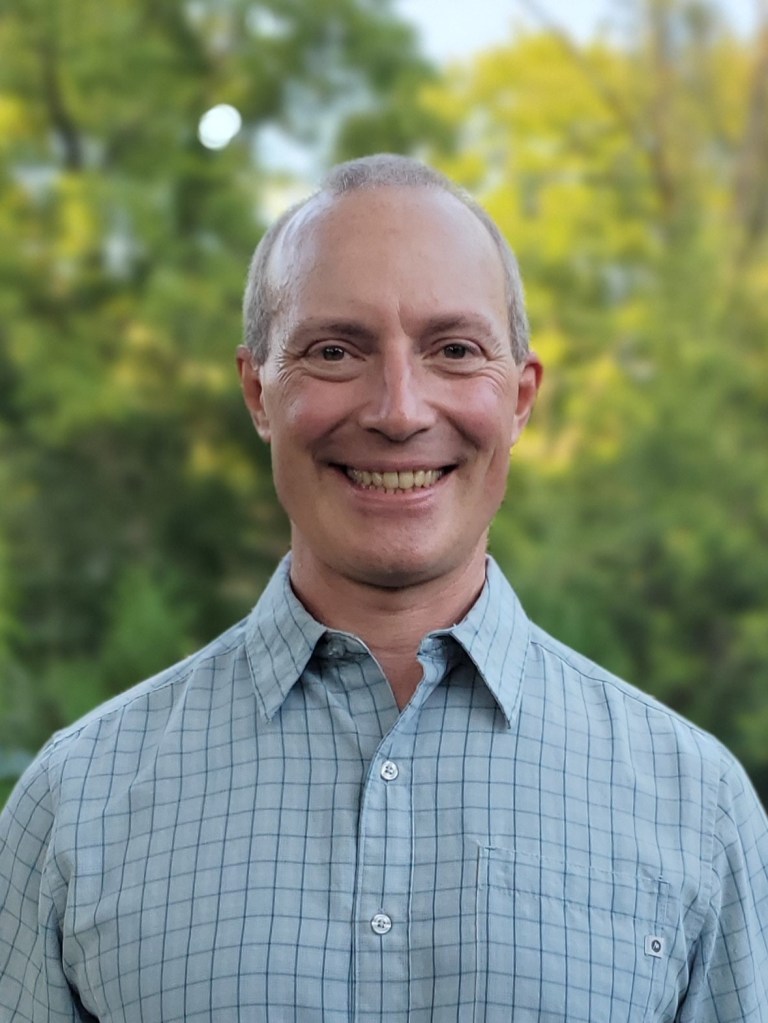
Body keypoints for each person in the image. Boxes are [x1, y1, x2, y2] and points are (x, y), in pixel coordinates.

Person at [1, 153, 766, 1022]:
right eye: (335, 351)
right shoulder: (74, 805)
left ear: (520, 399)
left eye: (454, 350)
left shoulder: (698, 808)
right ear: (258, 392)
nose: (399, 410)